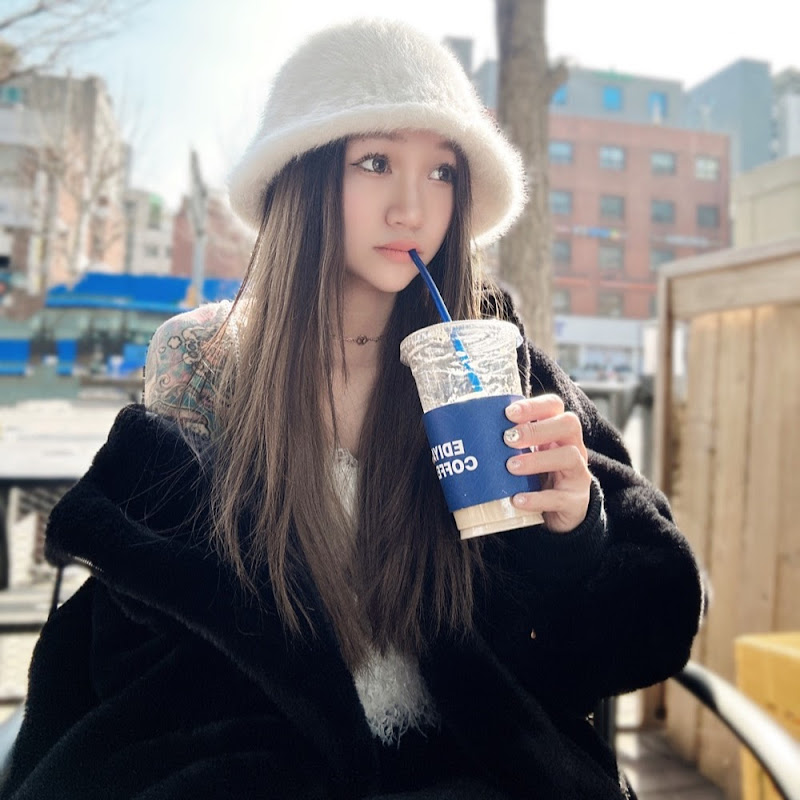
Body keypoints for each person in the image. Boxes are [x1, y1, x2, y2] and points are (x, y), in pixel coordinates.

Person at [1, 18, 704, 800]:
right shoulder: (206, 362)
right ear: (304, 176)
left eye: (442, 172)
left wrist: (574, 533)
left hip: (472, 764)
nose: (413, 209)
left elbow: (648, 619)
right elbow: (151, 646)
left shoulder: (489, 360)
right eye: (376, 162)